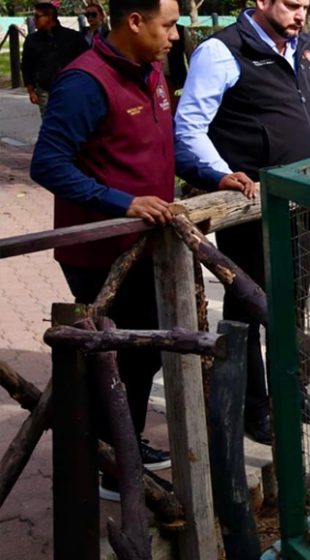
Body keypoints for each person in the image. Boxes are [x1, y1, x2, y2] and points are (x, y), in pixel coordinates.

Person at [175, 0, 310, 445]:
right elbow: (188, 129)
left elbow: (302, 109)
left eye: (307, 6)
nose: (302, 14)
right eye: (292, 5)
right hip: (250, 207)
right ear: (261, 2)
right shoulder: (221, 52)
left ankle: (291, 391)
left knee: (293, 297)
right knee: (249, 304)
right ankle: (251, 406)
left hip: (297, 201)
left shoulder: (300, 47)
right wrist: (221, 173)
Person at [29, 0, 192, 501]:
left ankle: (122, 444)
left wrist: (214, 173)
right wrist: (122, 202)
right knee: (118, 357)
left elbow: (164, 146)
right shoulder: (84, 82)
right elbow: (47, 165)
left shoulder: (153, 71)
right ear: (135, 21)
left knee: (141, 357)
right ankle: (111, 468)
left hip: (145, 246)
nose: (175, 36)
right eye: (168, 25)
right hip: (101, 253)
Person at [21, 1, 88, 116]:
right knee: (49, 125)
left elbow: (86, 61)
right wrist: (31, 90)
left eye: (37, 16)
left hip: (70, 90)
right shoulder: (32, 40)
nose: (34, 20)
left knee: (71, 122)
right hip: (44, 90)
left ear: (49, 17)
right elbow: (26, 65)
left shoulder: (73, 37)